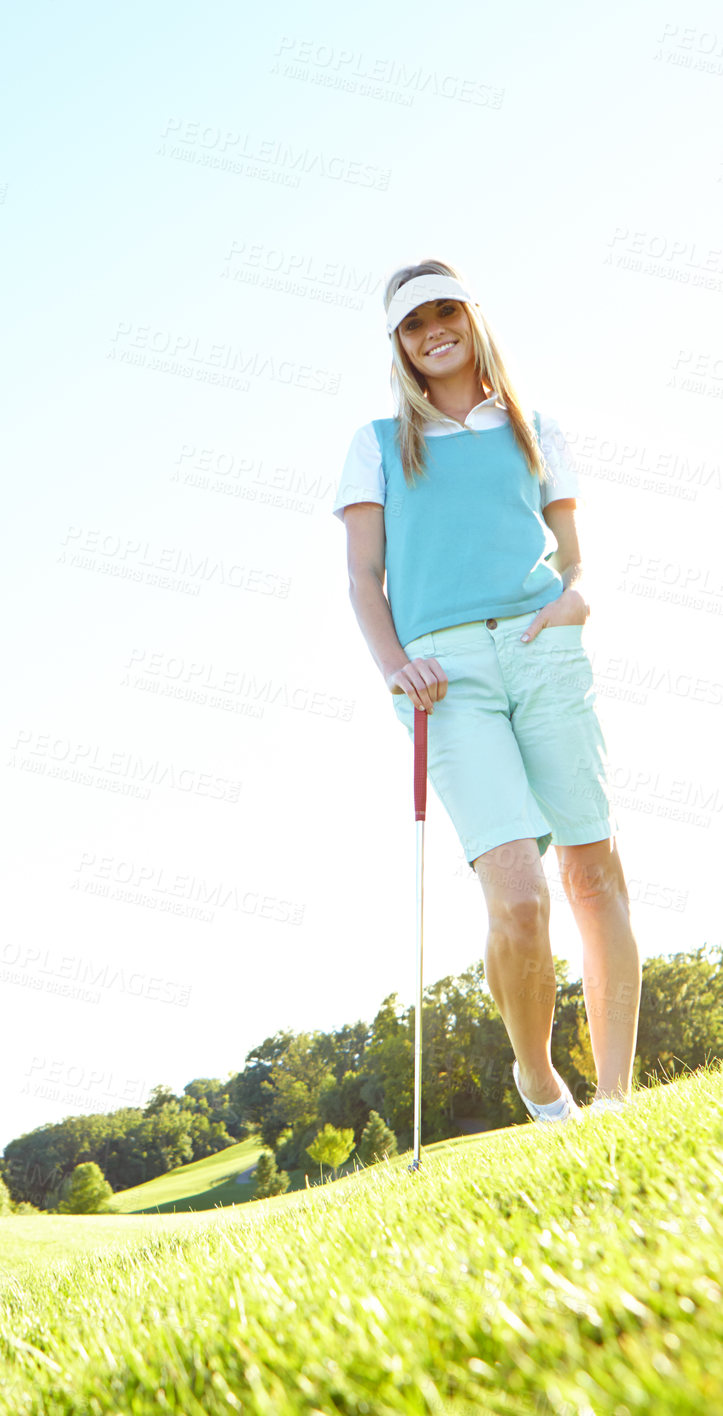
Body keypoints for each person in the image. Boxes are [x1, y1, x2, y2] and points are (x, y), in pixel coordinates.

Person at [333, 258, 641, 1124]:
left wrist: (577, 597)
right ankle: (539, 1080)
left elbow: (573, 553)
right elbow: (362, 577)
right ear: (396, 342)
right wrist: (394, 663)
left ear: (471, 318)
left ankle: (617, 1100)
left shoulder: (534, 426)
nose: (433, 330)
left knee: (591, 873)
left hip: (542, 647)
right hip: (444, 676)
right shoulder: (377, 442)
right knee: (517, 892)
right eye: (412, 322)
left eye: (445, 312)